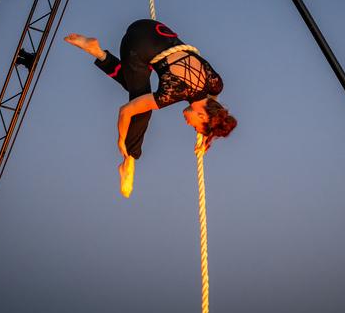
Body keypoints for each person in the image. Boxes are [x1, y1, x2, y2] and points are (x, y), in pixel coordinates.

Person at [65, 18, 237, 197]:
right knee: (142, 109)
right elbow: (125, 111)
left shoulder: (215, 83)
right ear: (202, 116)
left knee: (135, 87)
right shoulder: (172, 92)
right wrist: (122, 140)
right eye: (194, 127)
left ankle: (98, 53)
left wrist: (203, 136)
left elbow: (211, 100)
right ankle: (129, 161)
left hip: (148, 27)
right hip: (134, 46)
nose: (188, 125)